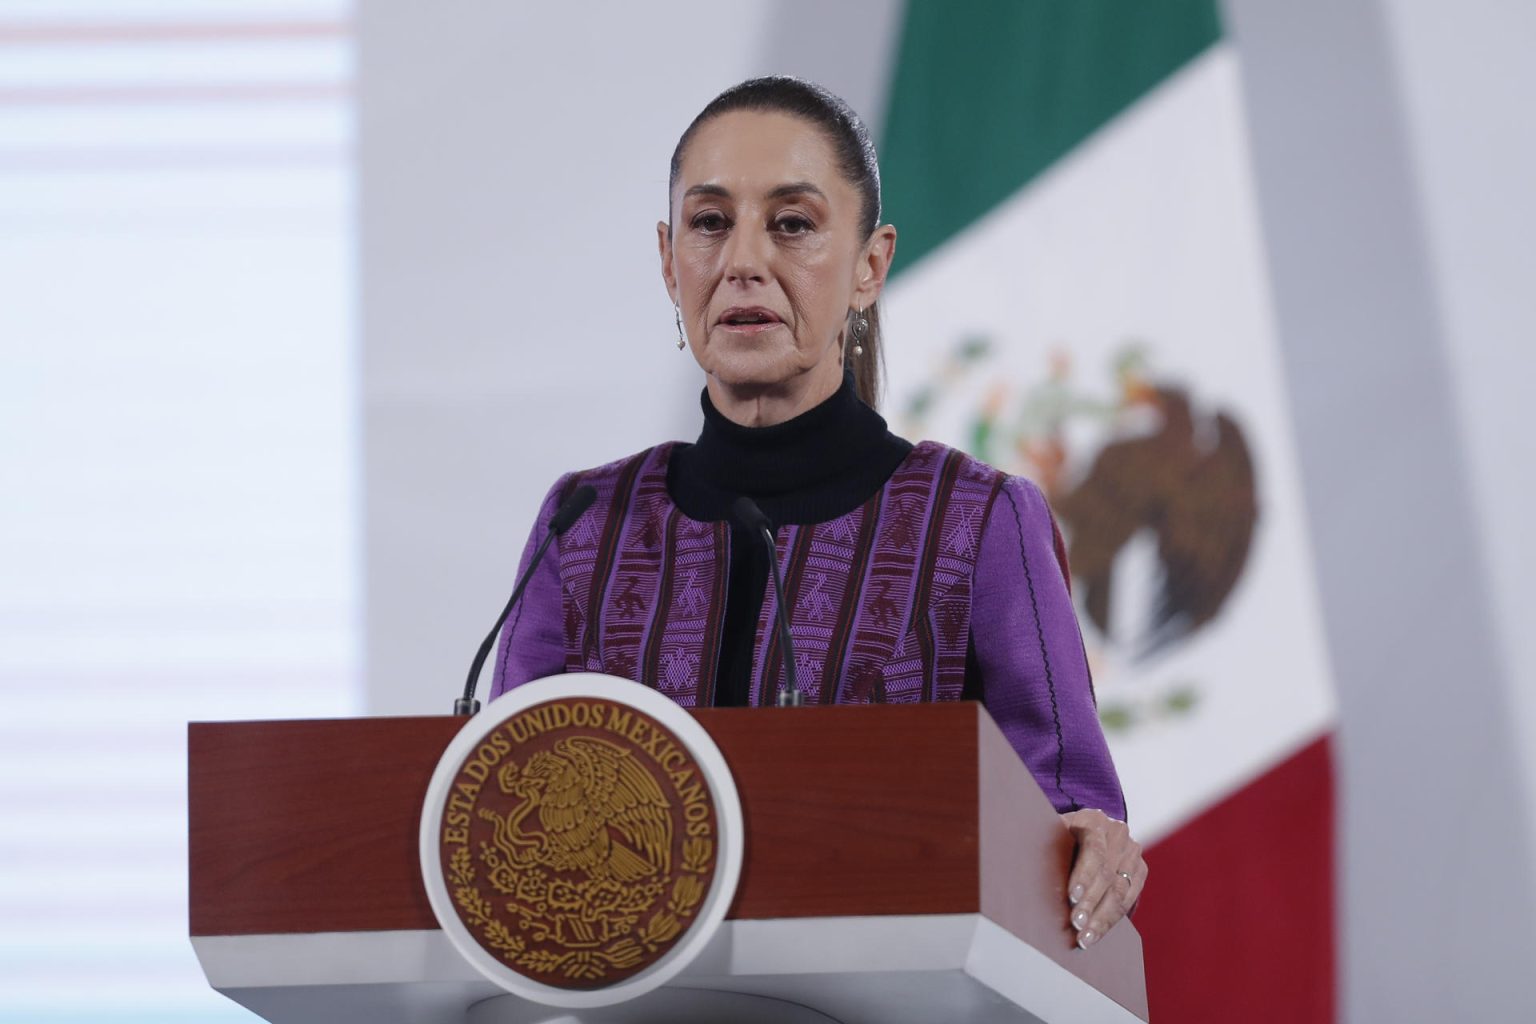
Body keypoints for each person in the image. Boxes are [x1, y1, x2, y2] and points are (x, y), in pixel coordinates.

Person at [490, 77, 1145, 950]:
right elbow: (497, 815)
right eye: (710, 222)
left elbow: (1064, 826)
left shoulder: (978, 523)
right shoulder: (582, 527)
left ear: (870, 265)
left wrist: (1092, 843)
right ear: (667, 258)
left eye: (791, 223)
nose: (743, 262)